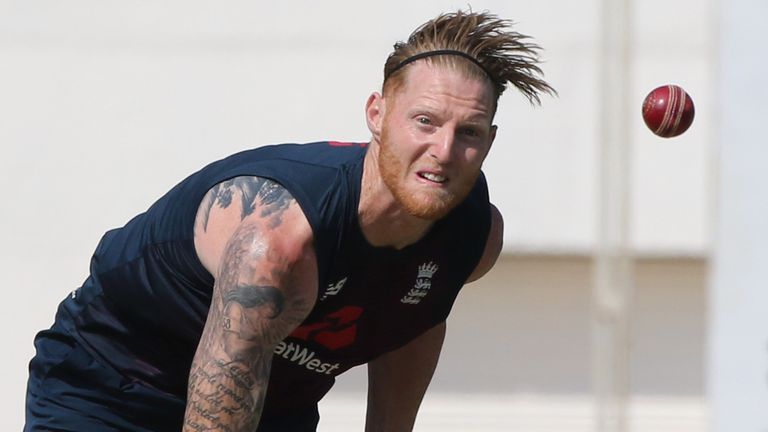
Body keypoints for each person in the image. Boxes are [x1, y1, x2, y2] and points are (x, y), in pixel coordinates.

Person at [24, 10, 554, 432]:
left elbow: (412, 318)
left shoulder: (473, 238)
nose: (443, 150)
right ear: (377, 114)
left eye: (469, 132)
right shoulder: (279, 242)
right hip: (110, 389)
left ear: (489, 142)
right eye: (425, 121)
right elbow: (219, 410)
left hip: (274, 407)